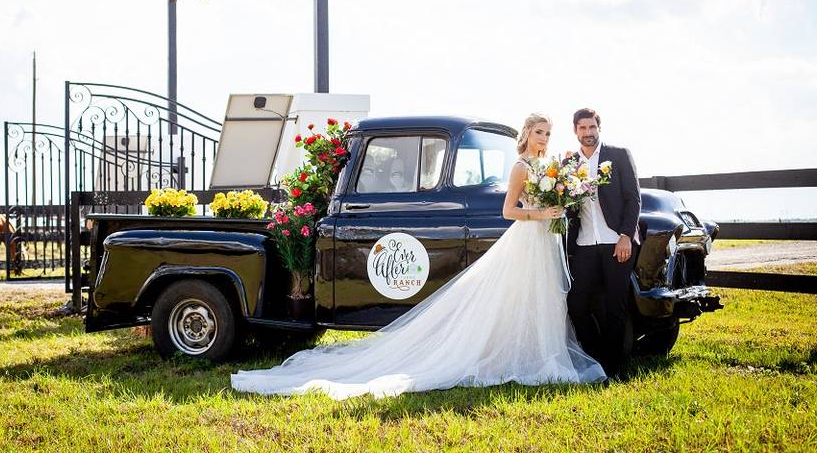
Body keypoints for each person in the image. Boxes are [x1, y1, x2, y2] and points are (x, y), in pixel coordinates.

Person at [230, 113, 606, 399]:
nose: (544, 138)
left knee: (538, 297)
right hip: (530, 231)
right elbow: (510, 208)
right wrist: (542, 213)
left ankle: (540, 353)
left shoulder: (547, 167)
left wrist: (556, 206)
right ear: (528, 135)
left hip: (542, 238)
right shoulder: (522, 166)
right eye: (539, 132)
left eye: (548, 133)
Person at [566, 108, 641, 379]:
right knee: (576, 303)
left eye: (592, 127)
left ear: (599, 127)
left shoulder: (619, 155)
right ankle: (596, 357)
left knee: (615, 305)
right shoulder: (569, 165)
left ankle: (613, 368)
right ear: (575, 131)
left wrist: (625, 236)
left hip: (615, 242)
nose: (588, 133)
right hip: (584, 244)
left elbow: (634, 198)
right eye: (582, 128)